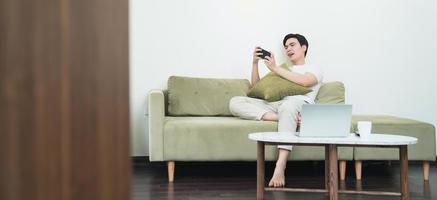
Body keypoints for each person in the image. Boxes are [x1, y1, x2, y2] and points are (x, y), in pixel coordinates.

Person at [229, 33, 323, 187]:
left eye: (292, 45)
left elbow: (306, 81)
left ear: (304, 47)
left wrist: (276, 68)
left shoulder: (313, 68)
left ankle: (280, 166)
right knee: (235, 101)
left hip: (298, 104)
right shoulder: (283, 69)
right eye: (286, 47)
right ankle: (281, 118)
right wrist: (254, 64)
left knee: (288, 107)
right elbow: (256, 89)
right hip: (276, 106)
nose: (288, 49)